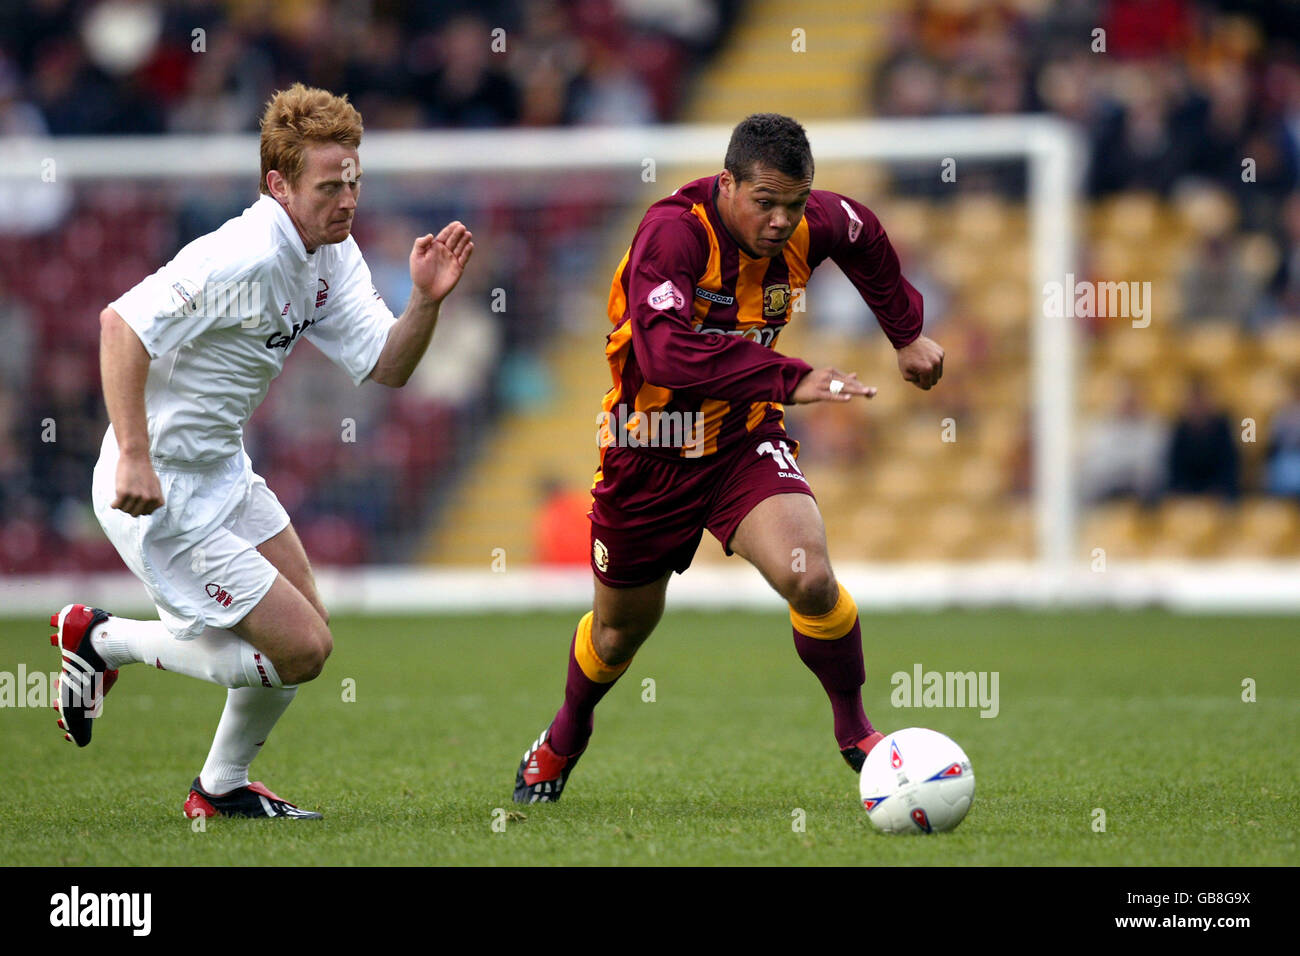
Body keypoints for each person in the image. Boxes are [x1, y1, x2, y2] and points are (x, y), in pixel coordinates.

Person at [49, 84, 473, 819]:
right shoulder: (241, 253)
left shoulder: (329, 256)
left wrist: (427, 303)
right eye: (330, 186)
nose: (348, 200)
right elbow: (120, 325)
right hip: (158, 490)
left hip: (223, 471)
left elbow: (389, 365)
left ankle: (220, 789)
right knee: (302, 650)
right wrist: (136, 456)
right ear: (278, 185)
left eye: (355, 182)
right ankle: (103, 640)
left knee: (305, 629)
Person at [513, 113, 943, 803]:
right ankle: (568, 732)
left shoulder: (812, 223)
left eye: (794, 204)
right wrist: (789, 376)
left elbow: (863, 231)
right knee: (620, 634)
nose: (781, 220)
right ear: (727, 183)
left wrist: (907, 334)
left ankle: (856, 732)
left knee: (810, 575)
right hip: (647, 447)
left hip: (742, 437)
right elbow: (663, 352)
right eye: (764, 202)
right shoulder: (674, 233)